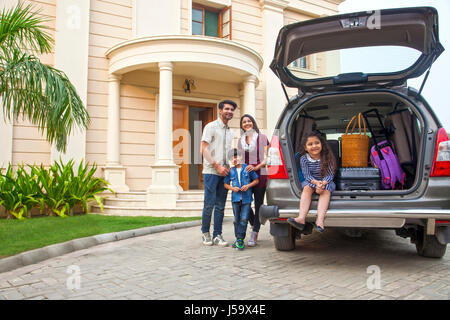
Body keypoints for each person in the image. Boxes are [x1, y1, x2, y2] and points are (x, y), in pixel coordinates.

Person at [200, 99, 237, 246]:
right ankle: (205, 233)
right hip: (211, 171)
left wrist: (229, 167)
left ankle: (217, 235)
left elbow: (227, 152)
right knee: (209, 204)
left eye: (232, 109)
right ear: (220, 110)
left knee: (220, 206)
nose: (229, 111)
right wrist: (216, 166)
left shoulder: (231, 131)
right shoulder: (211, 127)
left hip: (225, 172)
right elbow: (204, 149)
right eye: (227, 109)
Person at [287, 132, 336, 233]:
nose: (314, 146)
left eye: (317, 143)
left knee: (325, 191)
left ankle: (320, 221)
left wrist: (322, 184)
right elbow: (307, 175)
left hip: (326, 182)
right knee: (306, 188)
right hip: (311, 180)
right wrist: (316, 183)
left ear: (321, 144)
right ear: (305, 148)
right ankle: (301, 218)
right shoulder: (303, 159)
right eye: (310, 144)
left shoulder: (328, 157)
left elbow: (330, 175)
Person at [237, 114, 269, 246]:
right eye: (244, 122)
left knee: (258, 204)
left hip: (260, 173)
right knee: (243, 202)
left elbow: (269, 156)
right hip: (246, 175)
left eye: (249, 121)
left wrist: (257, 166)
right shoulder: (240, 140)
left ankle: (255, 232)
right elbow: (239, 159)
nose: (247, 123)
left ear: (253, 123)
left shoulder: (262, 138)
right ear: (242, 125)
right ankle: (253, 224)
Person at [224, 148, 259, 250]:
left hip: (246, 199)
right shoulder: (231, 171)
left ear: (241, 157)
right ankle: (238, 239)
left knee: (244, 219)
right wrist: (232, 188)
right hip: (235, 199)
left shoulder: (247, 168)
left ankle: (240, 239)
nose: (235, 159)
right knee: (236, 220)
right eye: (232, 158)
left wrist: (248, 186)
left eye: (236, 156)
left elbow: (256, 180)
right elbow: (225, 184)